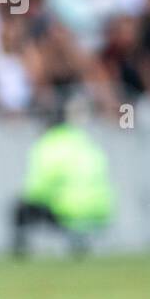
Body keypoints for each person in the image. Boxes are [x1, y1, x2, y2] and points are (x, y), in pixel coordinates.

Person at [12, 110, 113, 258]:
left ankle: (20, 254)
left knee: (20, 207)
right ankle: (78, 240)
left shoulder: (47, 145)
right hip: (100, 208)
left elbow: (37, 189)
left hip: (68, 209)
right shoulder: (85, 140)